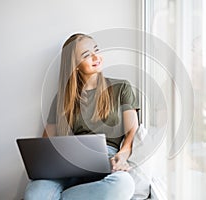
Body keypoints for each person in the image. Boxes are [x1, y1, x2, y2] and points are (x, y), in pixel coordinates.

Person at [24, 33, 139, 200]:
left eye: (96, 50)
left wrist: (121, 156)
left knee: (123, 185)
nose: (95, 57)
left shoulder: (121, 88)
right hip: (67, 163)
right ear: (75, 65)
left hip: (106, 160)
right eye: (86, 55)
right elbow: (46, 142)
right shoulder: (62, 98)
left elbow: (131, 133)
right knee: (34, 193)